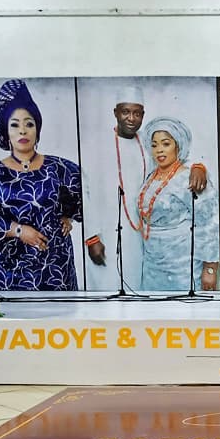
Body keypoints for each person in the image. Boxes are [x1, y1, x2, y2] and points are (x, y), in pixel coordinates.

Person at [82, 88, 207, 291]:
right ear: (115, 113)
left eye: (137, 113)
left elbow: (177, 155)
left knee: (138, 293)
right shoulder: (95, 145)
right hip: (105, 235)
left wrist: (198, 166)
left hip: (142, 238)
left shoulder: (148, 142)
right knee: (107, 293)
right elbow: (83, 194)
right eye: (125, 112)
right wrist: (92, 237)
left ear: (143, 115)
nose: (131, 118)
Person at [0, 79, 82, 291]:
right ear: (6, 131)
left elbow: (85, 197)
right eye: (15, 125)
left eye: (29, 123)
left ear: (37, 129)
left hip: (57, 269)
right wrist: (18, 230)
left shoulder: (61, 168)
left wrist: (68, 215)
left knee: (64, 323)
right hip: (13, 272)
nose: (23, 131)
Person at [135, 117, 219, 291]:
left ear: (178, 145)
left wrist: (210, 269)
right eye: (154, 145)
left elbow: (210, 222)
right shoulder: (150, 177)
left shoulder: (189, 178)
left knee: (184, 314)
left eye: (166, 144)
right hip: (152, 263)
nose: (159, 150)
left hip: (182, 264)